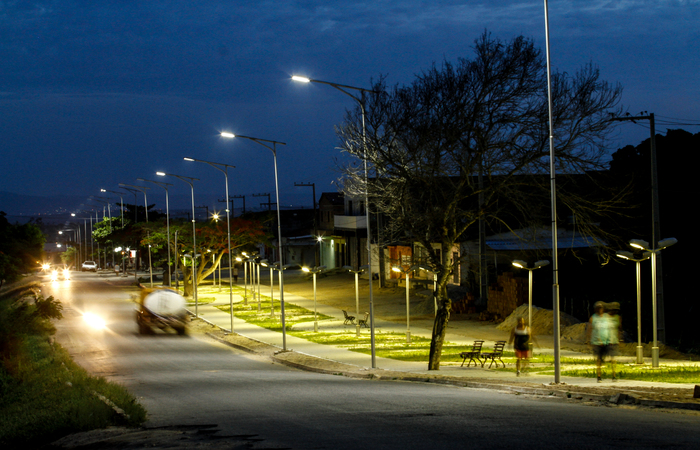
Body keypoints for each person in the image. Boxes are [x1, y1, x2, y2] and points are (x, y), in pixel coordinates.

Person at [587, 301, 612, 382]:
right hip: (597, 342)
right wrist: (590, 340)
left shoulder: (606, 317)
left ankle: (609, 374)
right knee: (599, 359)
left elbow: (609, 328)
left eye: (601, 308)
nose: (600, 310)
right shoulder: (593, 318)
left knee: (606, 358)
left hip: (606, 341)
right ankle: (599, 376)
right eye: (598, 308)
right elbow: (590, 329)